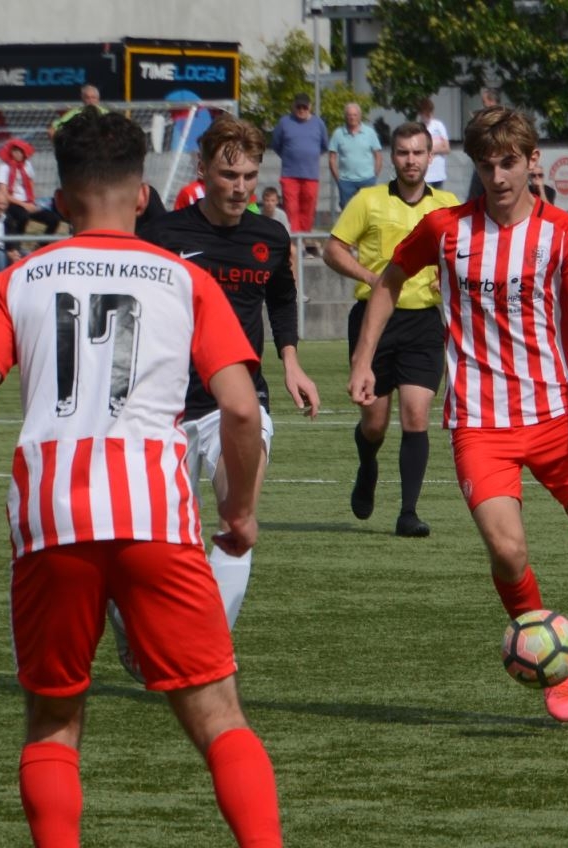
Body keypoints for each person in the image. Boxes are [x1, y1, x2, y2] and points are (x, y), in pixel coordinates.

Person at [0, 107, 283, 847]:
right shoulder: (184, 280)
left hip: (49, 515)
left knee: (54, 719)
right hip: (154, 513)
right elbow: (236, 409)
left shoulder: (19, 278)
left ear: (61, 201)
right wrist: (241, 508)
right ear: (141, 196)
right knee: (220, 718)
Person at [347, 106, 568, 726]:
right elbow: (387, 282)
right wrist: (362, 361)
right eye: (487, 164)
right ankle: (548, 654)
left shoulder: (564, 233)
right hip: (480, 425)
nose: (499, 175)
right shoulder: (445, 229)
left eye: (510, 162)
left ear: (532, 160)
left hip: (557, 418)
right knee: (507, 553)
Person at [128, 115, 320, 651]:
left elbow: (281, 298)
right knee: (152, 539)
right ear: (202, 168)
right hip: (161, 405)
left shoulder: (270, 237)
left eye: (249, 176)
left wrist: (290, 361)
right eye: (228, 174)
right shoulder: (163, 236)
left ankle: (203, 649)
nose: (239, 188)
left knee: (238, 520)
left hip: (235, 402)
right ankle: (134, 625)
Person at [324, 121, 460, 537]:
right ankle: (368, 464)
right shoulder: (368, 201)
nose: (411, 160)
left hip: (423, 322)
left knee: (416, 414)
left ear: (430, 156)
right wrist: (370, 276)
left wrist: (448, 276)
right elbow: (332, 248)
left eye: (418, 152)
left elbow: (463, 255)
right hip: (374, 322)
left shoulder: (449, 205)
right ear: (392, 156)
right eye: (403, 153)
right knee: (375, 422)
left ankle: (408, 513)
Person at [271, 92, 328, 253]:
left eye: (304, 107)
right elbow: (276, 144)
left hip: (311, 174)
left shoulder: (319, 123)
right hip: (290, 174)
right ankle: (295, 242)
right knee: (291, 208)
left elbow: (324, 146)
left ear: (310, 107)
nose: (301, 110)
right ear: (293, 106)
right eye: (299, 106)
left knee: (308, 208)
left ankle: (305, 238)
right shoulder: (284, 122)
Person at [0, 138, 63, 233]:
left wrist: (32, 202)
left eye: (21, 151)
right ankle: (16, 245)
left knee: (54, 219)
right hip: (12, 203)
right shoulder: (4, 167)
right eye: (15, 151)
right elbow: (4, 194)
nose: (18, 154)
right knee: (23, 217)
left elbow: (30, 183)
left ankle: (42, 245)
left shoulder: (27, 165)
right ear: (10, 151)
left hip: (28, 202)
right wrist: (24, 205)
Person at [328, 102, 383, 210]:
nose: (352, 118)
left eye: (355, 115)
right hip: (346, 181)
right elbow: (332, 158)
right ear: (345, 116)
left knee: (368, 210)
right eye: (349, 115)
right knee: (347, 211)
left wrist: (374, 176)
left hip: (367, 180)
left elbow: (378, 156)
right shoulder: (338, 133)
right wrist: (338, 179)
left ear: (359, 116)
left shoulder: (370, 132)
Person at [466, 88, 501, 201]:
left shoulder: (491, 118)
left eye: (484, 101)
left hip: (486, 161)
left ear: (490, 101)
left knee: (475, 198)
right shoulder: (505, 116)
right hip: (490, 162)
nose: (483, 104)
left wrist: (475, 123)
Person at [417, 97, 451, 190]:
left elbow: (447, 148)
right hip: (424, 174)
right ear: (421, 113)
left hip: (438, 173)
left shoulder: (438, 125)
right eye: (426, 114)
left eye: (430, 113)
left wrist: (431, 149)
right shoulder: (418, 128)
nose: (429, 116)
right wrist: (437, 146)